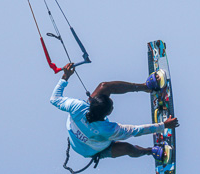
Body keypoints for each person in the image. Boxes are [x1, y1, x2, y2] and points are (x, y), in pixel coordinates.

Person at [50, 63, 179, 163]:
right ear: (106, 115)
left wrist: (65, 76)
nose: (113, 105)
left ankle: (146, 87)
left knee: (104, 86)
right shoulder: (108, 130)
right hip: (91, 150)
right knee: (127, 148)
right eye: (112, 106)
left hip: (81, 133)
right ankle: (151, 151)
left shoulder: (77, 106)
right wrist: (164, 126)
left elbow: (54, 99)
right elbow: (136, 130)